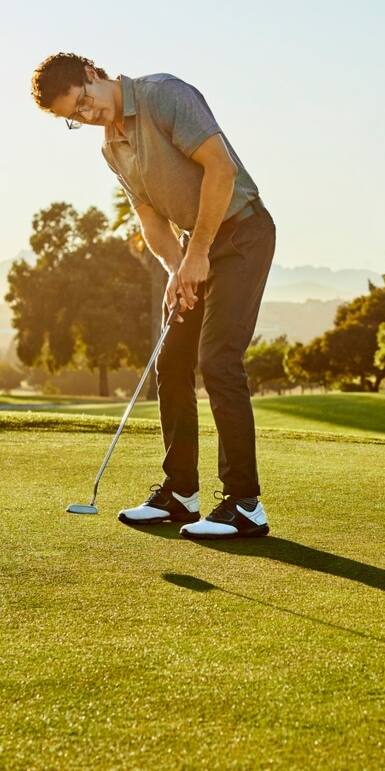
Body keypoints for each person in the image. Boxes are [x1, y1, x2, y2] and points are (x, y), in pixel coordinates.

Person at [31, 53, 276, 540]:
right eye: (73, 117)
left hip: (242, 233)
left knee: (219, 359)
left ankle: (245, 504)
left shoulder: (164, 94)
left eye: (84, 101)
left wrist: (198, 252)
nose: (86, 115)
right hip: (196, 246)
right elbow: (149, 217)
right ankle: (181, 493)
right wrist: (175, 268)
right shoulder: (112, 149)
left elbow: (220, 170)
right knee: (173, 359)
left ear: (93, 74)